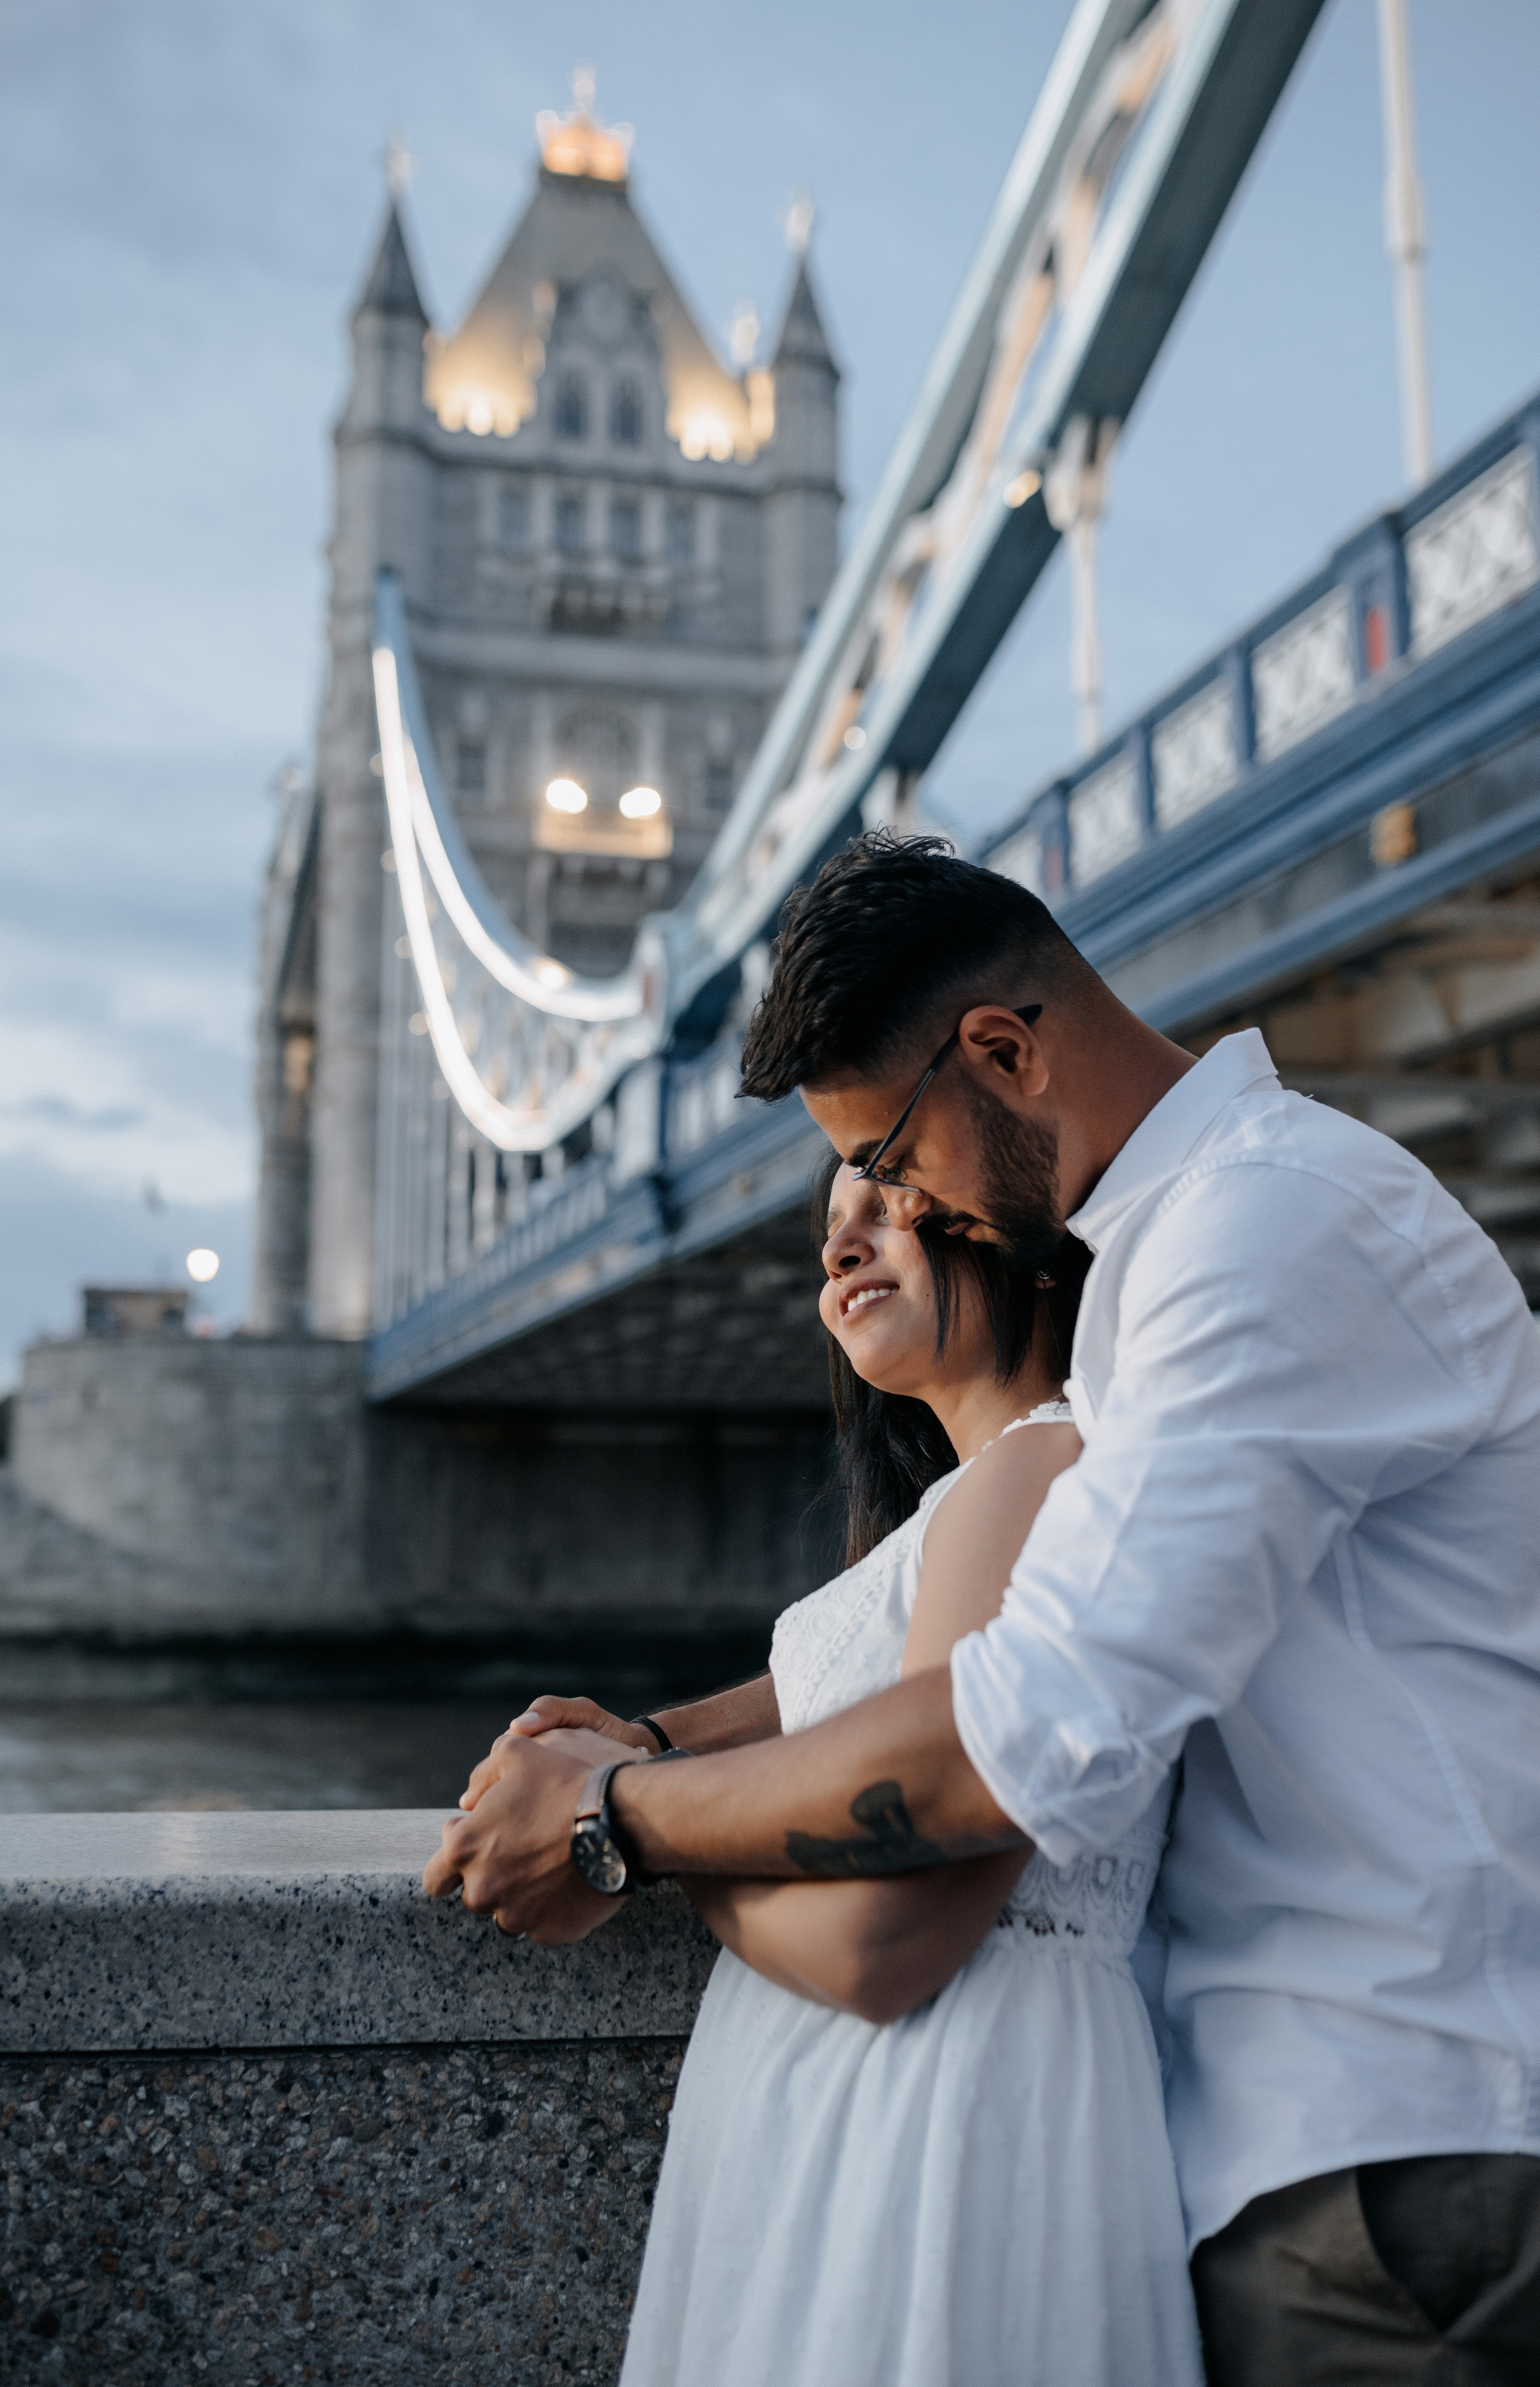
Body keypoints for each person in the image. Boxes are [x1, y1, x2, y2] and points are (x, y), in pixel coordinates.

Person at [425, 832, 1540, 2383]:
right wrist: (653, 1734)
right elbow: (968, 1627)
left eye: (886, 1157)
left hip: (1405, 2155)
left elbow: (1020, 1739)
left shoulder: (1262, 1230)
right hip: (1291, 2144)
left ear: (1002, 1052)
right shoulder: (1172, 1267)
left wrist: (619, 1818)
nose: (880, 1203)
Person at [506, 1164, 1199, 2385]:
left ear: (1021, 1240)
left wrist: (622, 1829)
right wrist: (634, 1751)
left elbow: (881, 1948)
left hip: (936, 2108)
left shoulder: (1038, 1475)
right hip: (877, 2098)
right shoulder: (976, 1502)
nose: (842, 1250)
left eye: (887, 1204)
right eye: (830, 1230)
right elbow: (816, 1715)